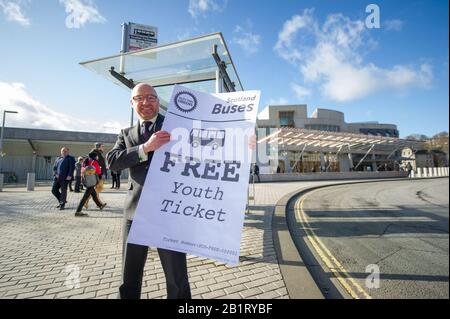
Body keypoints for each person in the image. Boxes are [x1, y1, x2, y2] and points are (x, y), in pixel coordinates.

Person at [107, 83, 191, 299]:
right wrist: (145, 148)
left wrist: (241, 143)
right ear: (132, 102)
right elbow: (112, 162)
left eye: (151, 97)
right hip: (135, 213)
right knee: (129, 277)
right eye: (140, 98)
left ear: (158, 100)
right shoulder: (126, 134)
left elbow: (207, 147)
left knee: (177, 278)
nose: (145, 102)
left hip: (169, 213)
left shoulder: (177, 126)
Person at [74, 152, 107, 217]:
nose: (97, 157)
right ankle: (78, 211)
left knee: (93, 193)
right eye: (97, 156)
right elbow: (98, 171)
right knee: (85, 196)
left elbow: (82, 171)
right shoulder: (94, 162)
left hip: (86, 180)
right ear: (94, 156)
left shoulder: (85, 161)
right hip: (92, 180)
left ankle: (100, 205)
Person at [85, 142, 107, 208]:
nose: (104, 148)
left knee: (97, 188)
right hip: (97, 174)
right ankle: (86, 201)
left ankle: (99, 203)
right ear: (99, 147)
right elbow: (94, 164)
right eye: (102, 146)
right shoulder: (95, 153)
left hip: (99, 173)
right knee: (98, 188)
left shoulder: (99, 153)